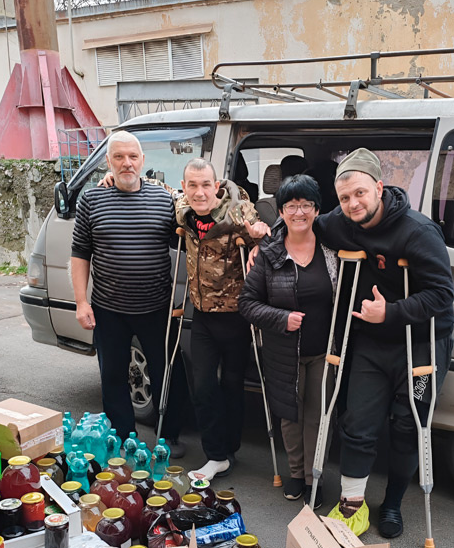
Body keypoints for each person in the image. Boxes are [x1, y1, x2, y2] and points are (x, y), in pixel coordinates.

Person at [317, 148, 454, 537]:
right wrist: (270, 237)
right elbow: (307, 223)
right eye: (344, 198)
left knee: (408, 425)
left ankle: (392, 503)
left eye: (360, 193)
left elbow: (442, 294)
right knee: (358, 423)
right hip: (372, 343)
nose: (352, 203)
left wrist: (390, 312)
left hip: (422, 342)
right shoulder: (341, 222)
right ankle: (352, 504)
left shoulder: (418, 231)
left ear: (379, 187)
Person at [70, 130, 185, 454]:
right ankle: (124, 437)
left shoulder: (164, 199)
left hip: (157, 306)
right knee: (112, 376)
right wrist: (81, 302)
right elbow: (80, 253)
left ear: (142, 161)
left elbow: (191, 228)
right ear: (108, 161)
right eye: (118, 157)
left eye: (132, 156)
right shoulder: (91, 199)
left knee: (168, 374)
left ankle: (170, 435)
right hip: (109, 308)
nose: (126, 163)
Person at [239, 175, 338, 509]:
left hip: (324, 351)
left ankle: (315, 478)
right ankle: (296, 474)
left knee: (317, 416)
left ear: (316, 209)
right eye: (292, 205)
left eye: (306, 205)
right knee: (290, 417)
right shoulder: (269, 254)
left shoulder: (331, 249)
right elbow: (247, 303)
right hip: (284, 352)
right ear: (281, 211)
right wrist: (281, 319)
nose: (299, 212)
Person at [176, 158, 270, 481]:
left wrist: (257, 235)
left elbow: (260, 232)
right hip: (201, 316)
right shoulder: (183, 210)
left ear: (216, 186)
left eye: (206, 185)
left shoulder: (238, 211)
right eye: (192, 185)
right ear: (185, 187)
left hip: (235, 316)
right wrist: (108, 178)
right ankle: (215, 455)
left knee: (232, 385)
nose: (199, 192)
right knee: (202, 385)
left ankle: (230, 448)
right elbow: (155, 190)